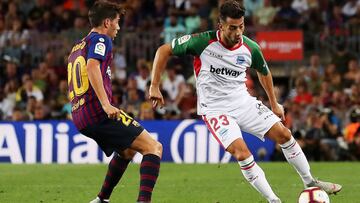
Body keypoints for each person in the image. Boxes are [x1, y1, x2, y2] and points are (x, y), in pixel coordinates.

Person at [149, 1, 341, 202]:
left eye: (241, 26)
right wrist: (154, 85)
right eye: (232, 28)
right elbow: (163, 50)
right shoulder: (201, 42)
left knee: (284, 134)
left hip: (243, 103)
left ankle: (310, 182)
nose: (238, 32)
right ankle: (274, 200)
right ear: (220, 26)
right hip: (215, 110)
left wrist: (274, 104)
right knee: (242, 154)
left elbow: (263, 72)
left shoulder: (251, 48)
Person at [67, 1, 162, 203]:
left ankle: (102, 199)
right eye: (117, 22)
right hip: (98, 113)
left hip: (80, 115)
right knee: (153, 148)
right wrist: (105, 104)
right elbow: (92, 67)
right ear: (107, 22)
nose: (118, 27)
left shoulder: (77, 47)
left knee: (126, 151)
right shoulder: (101, 39)